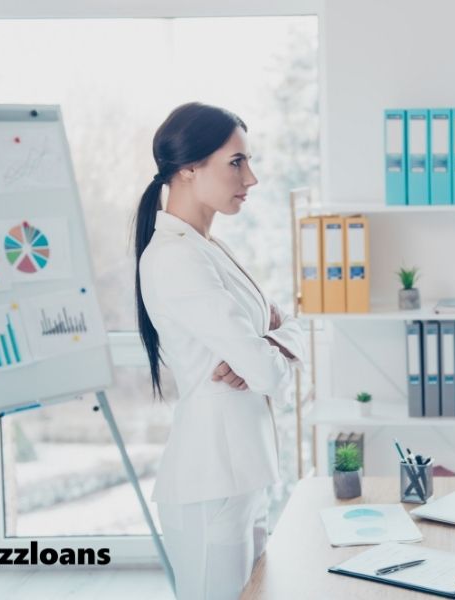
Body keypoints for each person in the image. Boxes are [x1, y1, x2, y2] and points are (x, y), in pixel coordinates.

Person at [133, 102, 305, 599]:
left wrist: (273, 342)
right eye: (236, 162)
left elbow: (287, 327)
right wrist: (271, 353)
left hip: (241, 474)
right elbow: (271, 376)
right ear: (188, 168)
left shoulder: (210, 248)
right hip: (210, 478)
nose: (250, 178)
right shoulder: (175, 258)